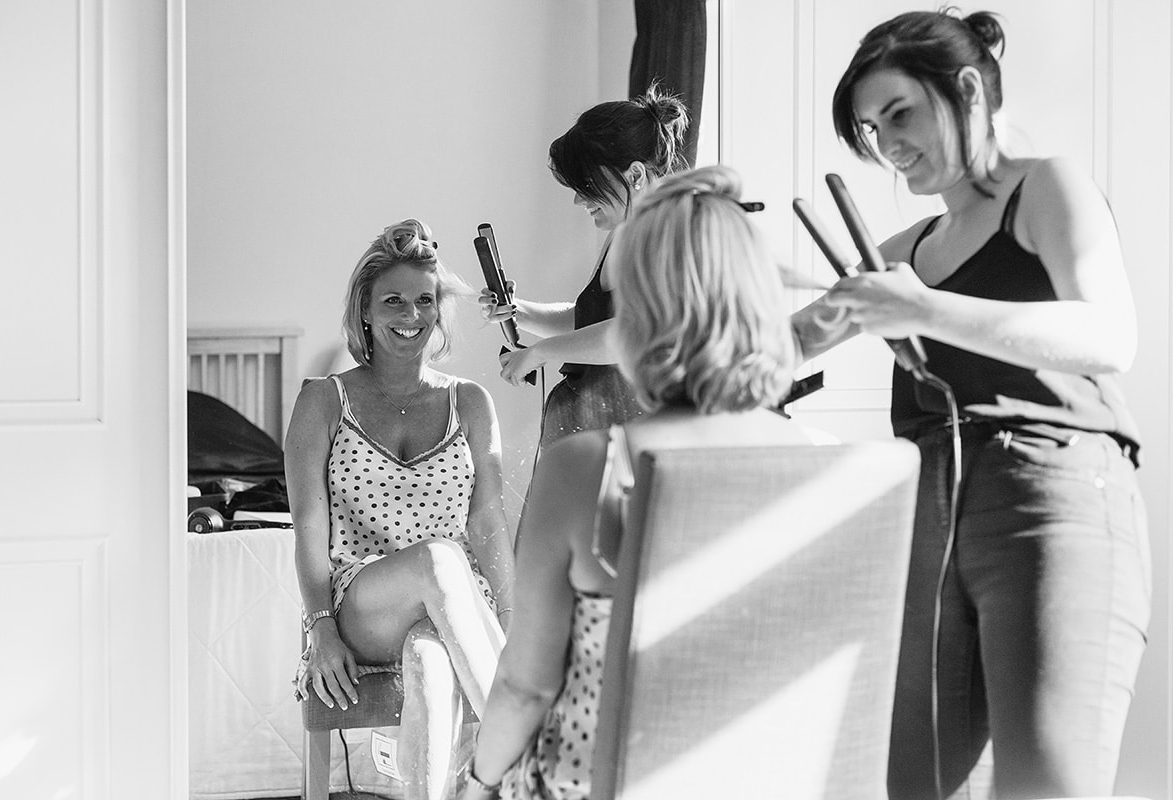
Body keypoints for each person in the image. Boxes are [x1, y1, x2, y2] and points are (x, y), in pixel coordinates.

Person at [793, 9, 1151, 799]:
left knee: (1042, 787)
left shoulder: (1047, 186)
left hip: (1051, 503)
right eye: (870, 129)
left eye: (899, 115)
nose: (888, 147)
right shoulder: (907, 251)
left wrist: (922, 309)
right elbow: (780, 347)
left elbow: (1108, 337)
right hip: (930, 522)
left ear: (965, 90)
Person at [460, 165, 824, 800]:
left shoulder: (589, 469)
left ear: (638, 313)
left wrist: (477, 782)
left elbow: (525, 688)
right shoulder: (815, 461)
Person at [286, 219, 515, 800]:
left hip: (453, 607)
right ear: (365, 309)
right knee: (437, 560)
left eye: (424, 301)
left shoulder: (471, 401)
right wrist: (320, 630)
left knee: (432, 667)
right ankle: (528, 750)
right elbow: (308, 529)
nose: (411, 316)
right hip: (362, 603)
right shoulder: (323, 400)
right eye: (394, 301)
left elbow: (487, 525)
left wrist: (511, 623)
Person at [481, 85, 689, 450]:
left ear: (635, 176)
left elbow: (635, 334)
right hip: (591, 427)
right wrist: (520, 312)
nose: (579, 199)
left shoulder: (666, 236)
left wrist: (542, 352)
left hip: (628, 436)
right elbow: (591, 319)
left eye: (588, 185)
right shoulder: (624, 231)